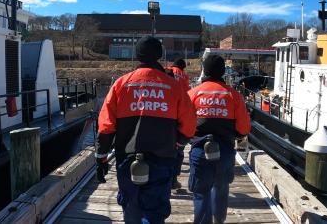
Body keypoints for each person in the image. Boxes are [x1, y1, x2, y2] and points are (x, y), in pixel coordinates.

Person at [96, 36, 197, 224]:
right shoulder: (174, 87)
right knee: (154, 211)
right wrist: (178, 143)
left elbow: (106, 125)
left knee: (130, 208)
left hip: (127, 158)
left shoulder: (120, 84)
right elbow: (190, 124)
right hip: (163, 158)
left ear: (137, 55)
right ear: (159, 55)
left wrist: (101, 157)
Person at [187, 54, 251, 224]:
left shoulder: (192, 94)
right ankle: (219, 220)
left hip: (200, 151)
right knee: (221, 188)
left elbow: (183, 124)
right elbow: (244, 128)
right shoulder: (234, 96)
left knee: (201, 191)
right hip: (225, 151)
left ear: (204, 70)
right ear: (223, 71)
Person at [166, 58, 190, 189]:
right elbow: (187, 93)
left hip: (163, 110)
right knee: (178, 148)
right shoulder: (184, 76)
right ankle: (174, 179)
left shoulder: (166, 70)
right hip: (178, 110)